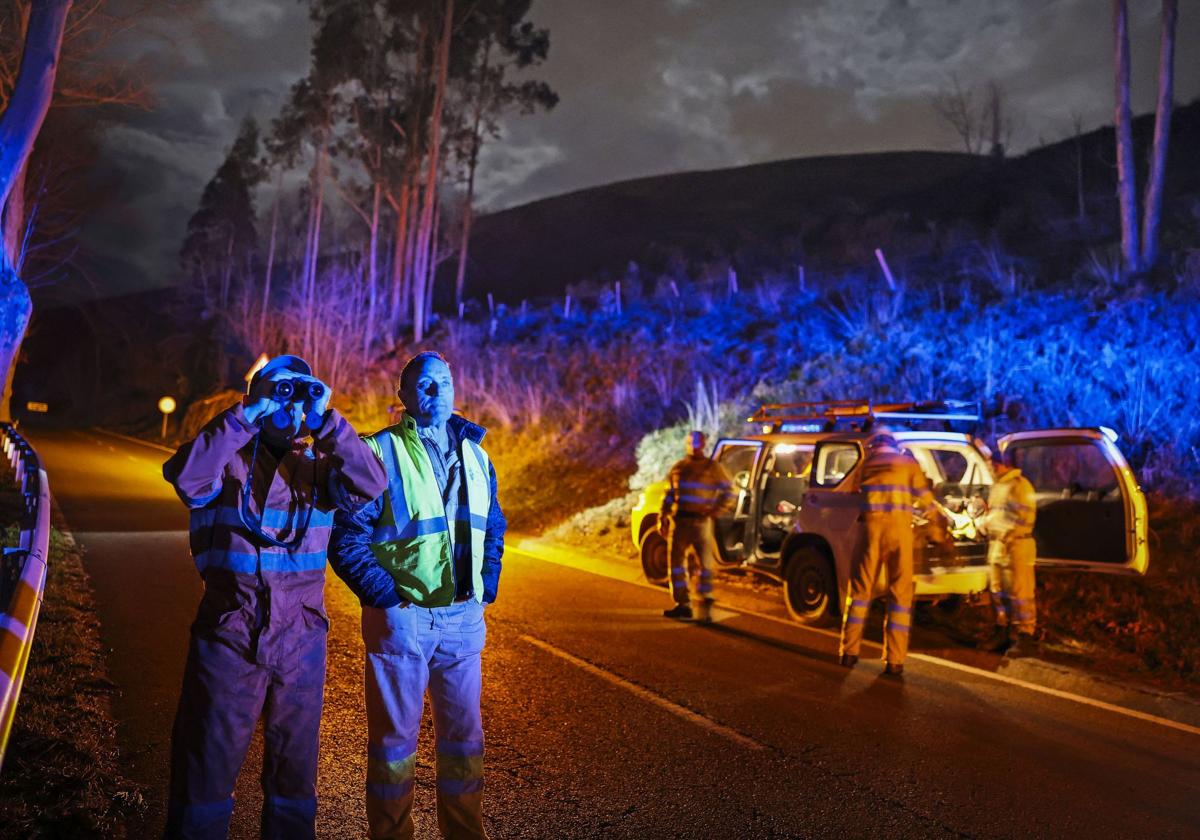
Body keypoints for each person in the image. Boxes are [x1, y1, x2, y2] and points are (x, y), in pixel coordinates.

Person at [161, 355, 387, 840]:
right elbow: (186, 479)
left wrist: (327, 420)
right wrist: (247, 415)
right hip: (230, 631)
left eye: (295, 391)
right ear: (254, 395)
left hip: (300, 638)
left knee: (294, 780)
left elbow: (370, 484)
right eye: (275, 391)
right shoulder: (228, 457)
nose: (287, 401)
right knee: (204, 770)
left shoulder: (321, 464)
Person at [328, 351, 505, 840]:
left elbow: (493, 525)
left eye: (444, 382)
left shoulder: (477, 453)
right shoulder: (378, 452)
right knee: (393, 746)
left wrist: (485, 586)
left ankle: (466, 834)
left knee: (465, 743)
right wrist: (386, 597)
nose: (436, 392)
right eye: (424, 384)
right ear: (402, 396)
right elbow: (346, 537)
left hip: (463, 619)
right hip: (402, 620)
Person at [837, 429, 940, 677]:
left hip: (871, 531)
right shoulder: (907, 463)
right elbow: (926, 501)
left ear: (874, 445)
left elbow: (850, 491)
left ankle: (849, 653)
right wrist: (936, 524)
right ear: (894, 444)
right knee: (900, 596)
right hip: (900, 532)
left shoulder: (866, 463)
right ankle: (895, 661)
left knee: (860, 594)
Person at [660, 430, 735, 623]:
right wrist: (663, 516)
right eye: (691, 442)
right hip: (680, 522)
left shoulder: (713, 468)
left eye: (698, 442)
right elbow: (669, 495)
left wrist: (714, 511)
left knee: (705, 565)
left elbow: (729, 492)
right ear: (686, 443)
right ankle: (682, 605)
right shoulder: (678, 468)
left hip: (701, 523)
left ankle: (704, 607)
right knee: (676, 565)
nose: (694, 445)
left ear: (704, 444)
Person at [978, 448, 1039, 655]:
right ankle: (1002, 632)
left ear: (1002, 463)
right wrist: (984, 525)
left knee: (1020, 593)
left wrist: (1008, 536)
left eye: (992, 463)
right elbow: (997, 516)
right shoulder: (1000, 486)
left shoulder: (1020, 486)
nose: (990, 467)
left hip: (1016, 546)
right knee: (998, 592)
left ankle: (1025, 636)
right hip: (998, 546)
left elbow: (1024, 518)